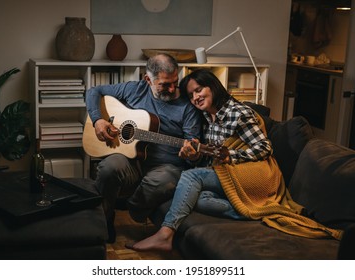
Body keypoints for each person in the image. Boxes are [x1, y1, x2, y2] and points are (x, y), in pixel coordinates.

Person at [126, 69, 342, 252]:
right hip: (227, 175)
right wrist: (195, 156)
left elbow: (264, 149)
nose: (195, 98)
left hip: (254, 174)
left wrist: (231, 155)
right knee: (198, 199)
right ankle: (251, 211)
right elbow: (211, 159)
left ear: (212, 86)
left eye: (199, 90)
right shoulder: (205, 119)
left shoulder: (238, 113)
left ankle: (166, 233)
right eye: (191, 95)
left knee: (191, 177)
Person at [85, 54, 202, 243]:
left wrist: (192, 155)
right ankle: (105, 219)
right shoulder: (135, 89)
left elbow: (192, 152)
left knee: (163, 180)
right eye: (165, 84)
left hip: (165, 166)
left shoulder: (187, 107)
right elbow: (93, 92)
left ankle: (131, 206)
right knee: (109, 167)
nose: (172, 89)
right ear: (148, 80)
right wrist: (98, 119)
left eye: (175, 82)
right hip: (130, 159)